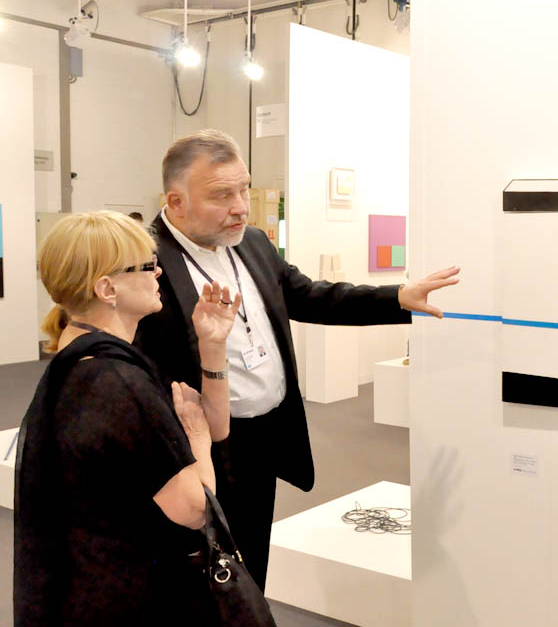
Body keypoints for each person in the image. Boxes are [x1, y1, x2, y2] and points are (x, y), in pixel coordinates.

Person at [135, 129, 459, 590]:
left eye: (244, 189)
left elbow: (310, 296)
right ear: (177, 201)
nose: (241, 207)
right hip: (195, 446)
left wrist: (398, 298)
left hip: (262, 436)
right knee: (194, 572)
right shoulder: (142, 262)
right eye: (222, 195)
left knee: (252, 558)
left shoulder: (252, 242)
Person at [15, 211, 242, 626]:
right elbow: (196, 509)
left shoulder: (81, 354)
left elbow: (218, 426)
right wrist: (196, 437)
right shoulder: (117, 380)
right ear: (107, 288)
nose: (158, 272)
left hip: (89, 580)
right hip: (133, 592)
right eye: (146, 265)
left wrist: (212, 347)